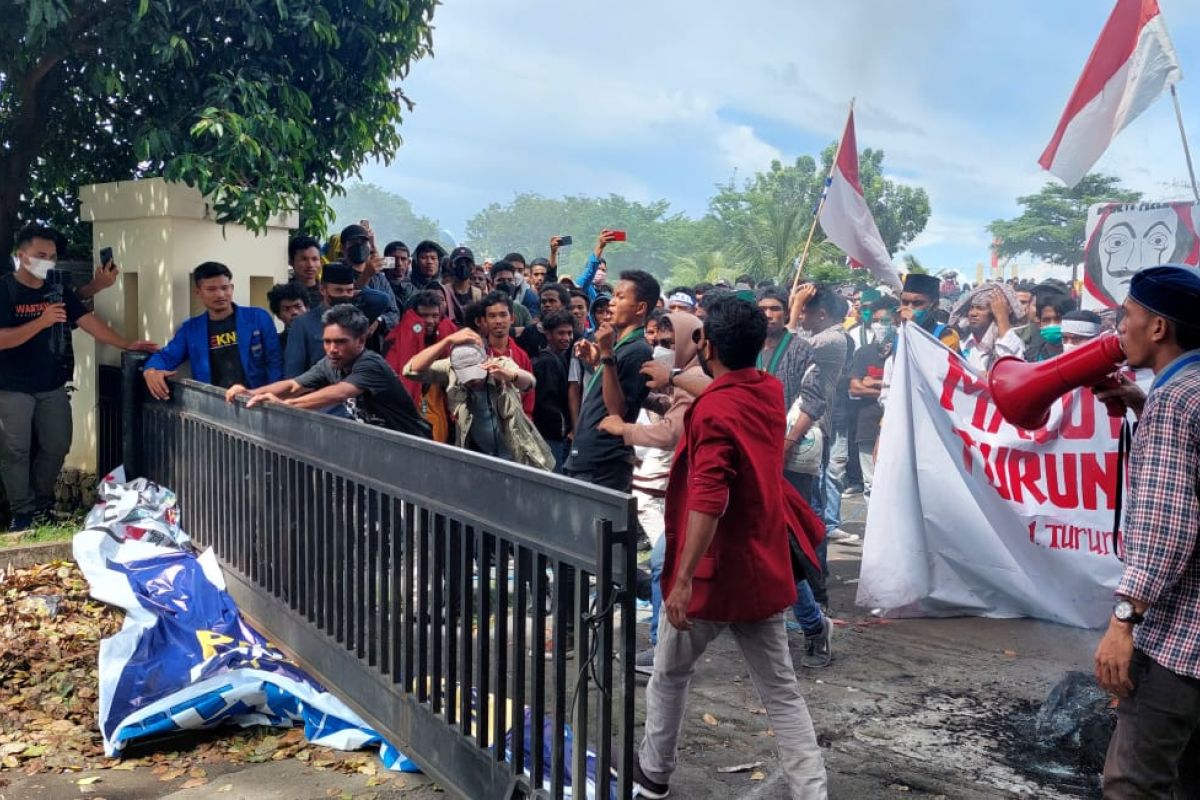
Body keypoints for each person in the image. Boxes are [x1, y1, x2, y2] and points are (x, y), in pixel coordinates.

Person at [634, 296, 827, 800]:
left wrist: (680, 581)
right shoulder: (767, 389)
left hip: (712, 578)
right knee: (782, 694)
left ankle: (654, 778)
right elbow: (718, 389)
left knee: (669, 677)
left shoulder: (716, 410)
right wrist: (675, 377)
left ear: (708, 345)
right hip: (761, 570)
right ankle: (813, 791)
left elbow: (709, 498)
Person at [1091, 264, 1200, 798]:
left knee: (1134, 783)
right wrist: (1143, 404)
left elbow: (1168, 531)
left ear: (1157, 328)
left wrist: (1123, 622)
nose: (1120, 329)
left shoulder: (1176, 401)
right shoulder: (1187, 392)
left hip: (1183, 639)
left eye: (1127, 315)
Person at [0, 224, 158, 529]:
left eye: (52, 256)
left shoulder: (56, 288)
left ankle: (42, 506)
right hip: (11, 387)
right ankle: (22, 513)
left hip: (52, 384)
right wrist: (41, 321)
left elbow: (87, 320)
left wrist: (126, 343)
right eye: (40, 255)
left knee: (57, 444)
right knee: (14, 450)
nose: (47, 260)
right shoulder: (5, 289)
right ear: (21, 255)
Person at [603, 311, 704, 677]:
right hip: (691, 483)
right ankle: (665, 646)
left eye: (668, 344)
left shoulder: (694, 377)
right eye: (658, 343)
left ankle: (664, 648)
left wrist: (623, 428)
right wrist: (651, 398)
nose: (662, 350)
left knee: (664, 561)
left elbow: (670, 433)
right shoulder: (686, 379)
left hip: (702, 486)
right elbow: (677, 412)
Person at [226, 304, 430, 438]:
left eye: (340, 342)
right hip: (382, 447)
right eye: (327, 342)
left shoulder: (370, 364)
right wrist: (251, 393)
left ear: (361, 340)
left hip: (414, 446)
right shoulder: (330, 362)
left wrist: (287, 405)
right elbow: (294, 385)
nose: (332, 349)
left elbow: (340, 392)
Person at [403, 327, 552, 468]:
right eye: (467, 375)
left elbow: (530, 382)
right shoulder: (450, 368)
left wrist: (511, 376)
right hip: (478, 456)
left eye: (476, 372)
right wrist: (447, 341)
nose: (473, 380)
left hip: (517, 455)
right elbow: (410, 370)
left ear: (485, 359)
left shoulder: (500, 364)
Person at [565, 271, 659, 491]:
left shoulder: (638, 350)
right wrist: (599, 361)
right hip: (590, 457)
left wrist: (606, 353)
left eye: (620, 297)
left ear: (640, 308)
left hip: (604, 461)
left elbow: (617, 410)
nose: (612, 303)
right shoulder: (622, 345)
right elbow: (611, 387)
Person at [143, 262, 283, 399]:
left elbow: (274, 360)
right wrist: (150, 371)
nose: (220, 294)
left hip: (256, 400)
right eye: (211, 289)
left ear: (231, 288)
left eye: (224, 288)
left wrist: (271, 397)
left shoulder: (257, 317)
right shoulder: (191, 329)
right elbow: (166, 356)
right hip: (214, 407)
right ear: (198, 292)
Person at [383, 289, 458, 442]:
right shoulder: (395, 339)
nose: (430, 320)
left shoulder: (449, 335)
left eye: (434, 315)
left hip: (439, 402)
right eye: (424, 315)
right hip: (410, 408)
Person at [848, 299, 898, 495]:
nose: (880, 325)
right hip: (867, 424)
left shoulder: (902, 352)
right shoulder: (864, 353)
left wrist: (875, 382)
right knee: (870, 483)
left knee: (893, 484)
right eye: (876, 321)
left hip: (895, 426)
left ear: (895, 322)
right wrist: (888, 389)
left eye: (885, 320)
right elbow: (855, 388)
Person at [284, 262, 358, 377]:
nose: (345, 296)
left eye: (349, 291)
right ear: (323, 290)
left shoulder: (358, 321)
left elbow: (381, 299)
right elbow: (293, 372)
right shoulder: (303, 324)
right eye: (338, 290)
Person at [476, 290, 535, 417]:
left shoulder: (522, 356)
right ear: (484, 320)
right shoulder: (475, 353)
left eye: (503, 315)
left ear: (512, 318)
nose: (498, 321)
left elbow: (528, 400)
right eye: (492, 316)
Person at [531, 310, 576, 472]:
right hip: (550, 436)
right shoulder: (546, 362)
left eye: (569, 333)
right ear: (548, 335)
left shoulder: (561, 357)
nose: (566, 338)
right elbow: (546, 403)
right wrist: (564, 427)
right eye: (561, 333)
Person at [950, 282, 1024, 373]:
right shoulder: (962, 342)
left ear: (994, 313)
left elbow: (1011, 368)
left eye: (980, 308)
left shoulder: (1011, 341)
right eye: (972, 308)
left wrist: (1002, 317)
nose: (973, 313)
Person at [340, 224, 400, 332]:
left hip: (375, 344)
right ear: (343, 248)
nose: (359, 247)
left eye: (363, 243)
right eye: (354, 243)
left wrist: (379, 321)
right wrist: (365, 276)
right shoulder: (337, 273)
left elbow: (394, 313)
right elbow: (344, 304)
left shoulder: (379, 278)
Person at [897, 272, 960, 352]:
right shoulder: (897, 332)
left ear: (934, 306)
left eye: (917, 303)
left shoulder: (947, 336)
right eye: (905, 302)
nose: (909, 308)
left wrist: (912, 329)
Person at [1024, 292, 1075, 362]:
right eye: (1046, 320)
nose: (1052, 324)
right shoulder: (1029, 356)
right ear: (1039, 324)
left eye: (1059, 319)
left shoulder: (1080, 354)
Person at [443, 246, 484, 327]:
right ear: (450, 266)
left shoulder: (478, 294)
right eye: (458, 262)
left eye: (467, 263)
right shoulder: (444, 291)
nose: (463, 266)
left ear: (473, 268)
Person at [576, 230, 621, 303]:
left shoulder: (608, 292)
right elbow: (589, 272)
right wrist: (600, 247)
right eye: (598, 269)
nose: (600, 272)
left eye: (603, 270)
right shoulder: (584, 286)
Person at [266, 282, 308, 352]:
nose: (294, 312)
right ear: (278, 315)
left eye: (298, 306)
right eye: (286, 309)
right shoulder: (276, 344)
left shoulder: (323, 337)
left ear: (307, 308)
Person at [490, 260, 533, 327]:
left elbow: (530, 332)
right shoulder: (483, 308)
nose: (506, 284)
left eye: (510, 280)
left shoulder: (522, 311)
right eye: (501, 280)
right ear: (492, 283)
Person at [288, 235, 324, 309]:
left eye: (314, 259)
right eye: (304, 259)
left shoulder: (326, 293)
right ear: (291, 262)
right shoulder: (284, 292)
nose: (310, 265)